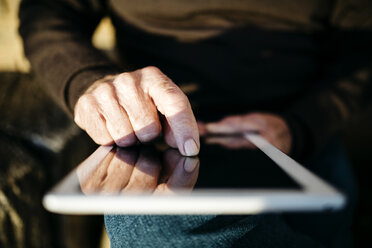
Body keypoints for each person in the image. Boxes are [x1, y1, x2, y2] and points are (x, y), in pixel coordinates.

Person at [18, 0, 371, 247]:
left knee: (317, 215)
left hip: (298, 132)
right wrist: (89, 81)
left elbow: (362, 45)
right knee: (150, 219)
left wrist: (301, 125)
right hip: (157, 131)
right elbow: (47, 10)